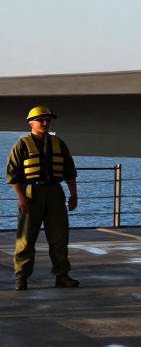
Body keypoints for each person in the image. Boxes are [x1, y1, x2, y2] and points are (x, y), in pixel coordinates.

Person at [8, 106, 80, 291]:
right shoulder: (21, 144)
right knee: (26, 237)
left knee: (59, 236)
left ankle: (62, 275)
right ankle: (21, 277)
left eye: (48, 120)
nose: (45, 123)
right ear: (30, 122)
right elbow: (12, 176)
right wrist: (21, 198)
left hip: (55, 193)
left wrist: (73, 194)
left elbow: (69, 172)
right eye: (41, 120)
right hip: (31, 193)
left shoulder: (59, 143)